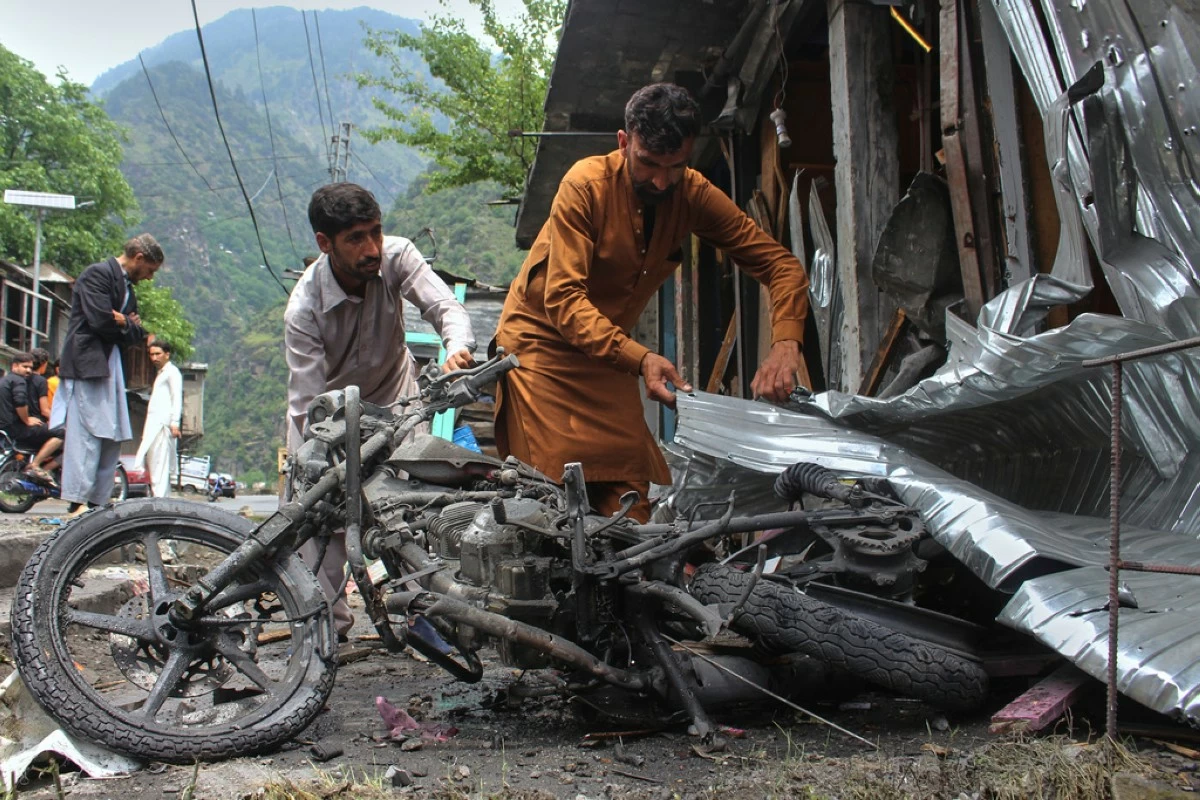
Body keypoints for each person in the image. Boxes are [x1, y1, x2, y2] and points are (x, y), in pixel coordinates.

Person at [494, 83, 811, 523]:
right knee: (554, 510)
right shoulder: (584, 186)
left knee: (631, 511)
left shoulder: (693, 193)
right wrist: (641, 358)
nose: (661, 181)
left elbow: (782, 267)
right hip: (542, 354)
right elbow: (564, 300)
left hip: (609, 359)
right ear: (624, 143)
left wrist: (786, 344)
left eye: (675, 166)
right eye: (648, 164)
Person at [285, 182, 476, 638]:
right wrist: (326, 456)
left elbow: (445, 306)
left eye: (376, 232)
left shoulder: (398, 255)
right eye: (356, 238)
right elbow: (309, 407)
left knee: (419, 513)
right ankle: (326, 634)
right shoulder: (304, 309)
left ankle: (432, 619)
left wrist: (457, 347)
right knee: (319, 525)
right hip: (329, 422)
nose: (372, 248)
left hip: (397, 403)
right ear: (324, 244)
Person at [55, 234, 161, 514]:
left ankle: (98, 500)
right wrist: (127, 322)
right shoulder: (97, 275)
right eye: (150, 270)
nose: (149, 277)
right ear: (139, 258)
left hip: (110, 363)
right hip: (88, 363)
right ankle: (77, 499)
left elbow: (138, 333)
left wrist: (122, 320)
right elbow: (100, 319)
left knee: (112, 432)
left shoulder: (127, 288)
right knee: (87, 430)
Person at [0, 352, 64, 484]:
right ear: (15, 366)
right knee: (63, 432)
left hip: (6, 428)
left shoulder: (5, 380)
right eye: (25, 367)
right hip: (18, 428)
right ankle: (36, 465)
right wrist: (27, 420)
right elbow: (20, 403)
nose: (28, 370)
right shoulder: (19, 381)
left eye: (30, 367)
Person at [134, 339, 183, 497]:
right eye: (151, 354)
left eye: (158, 354)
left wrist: (175, 422)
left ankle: (160, 499)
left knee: (160, 464)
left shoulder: (172, 372)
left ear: (167, 355)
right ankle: (160, 498)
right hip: (154, 425)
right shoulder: (161, 374)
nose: (154, 358)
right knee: (154, 464)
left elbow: (177, 397)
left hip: (163, 426)